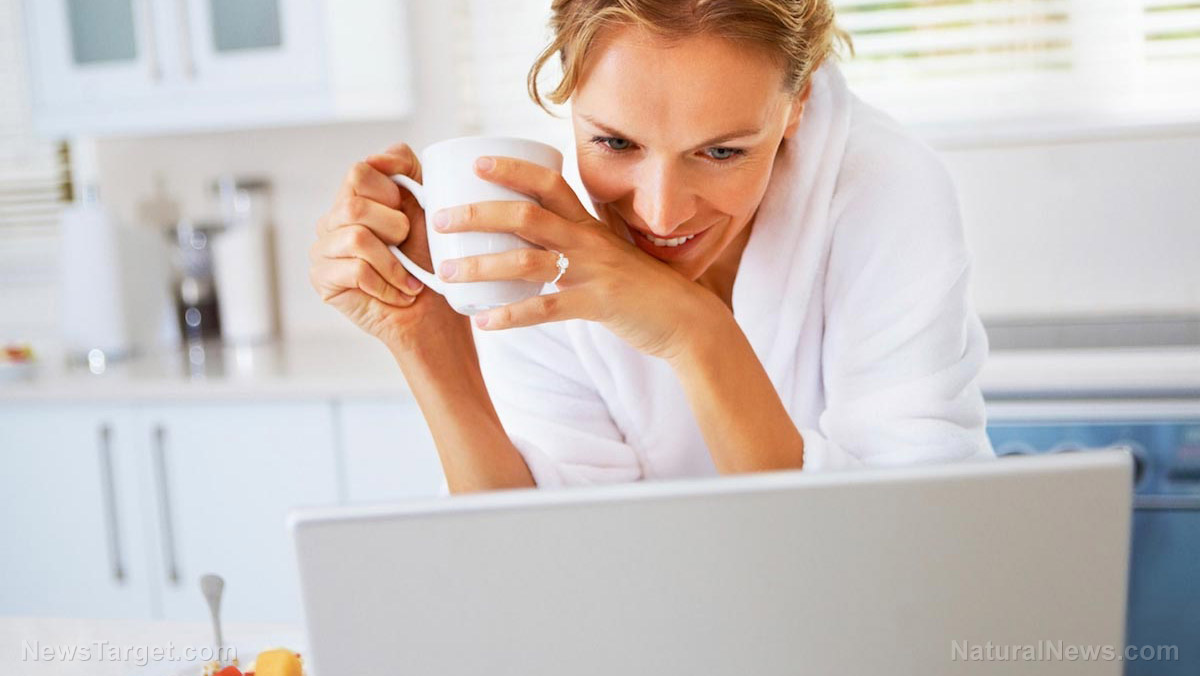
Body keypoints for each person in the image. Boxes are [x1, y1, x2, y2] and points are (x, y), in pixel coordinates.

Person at [309, 0, 995, 494]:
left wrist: (697, 333)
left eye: (722, 152)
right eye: (615, 142)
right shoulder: (530, 232)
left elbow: (911, 539)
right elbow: (538, 559)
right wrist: (428, 342)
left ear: (798, 102)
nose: (660, 213)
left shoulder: (885, 189)